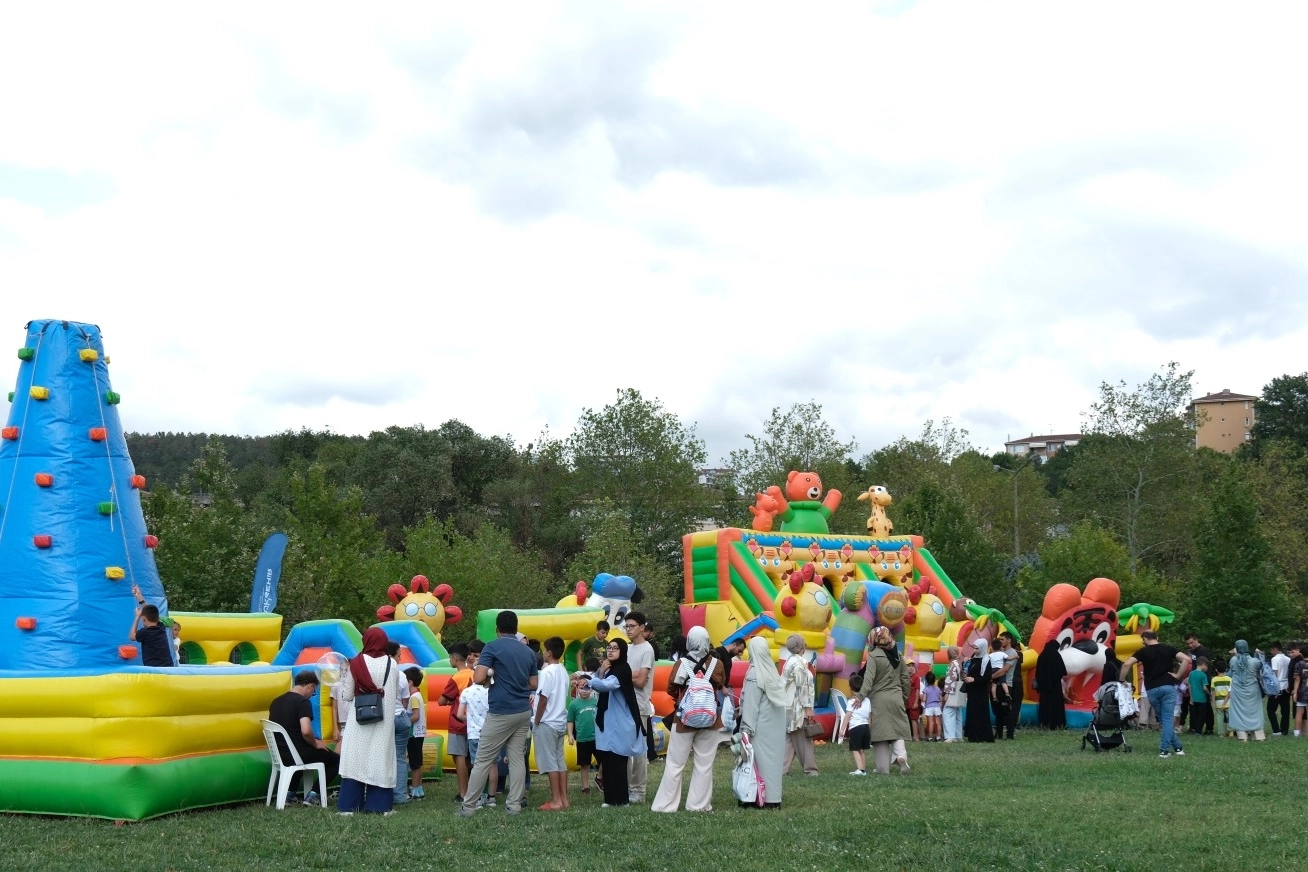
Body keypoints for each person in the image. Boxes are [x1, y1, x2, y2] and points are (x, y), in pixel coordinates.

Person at [457, 611, 539, 818]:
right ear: (516, 628)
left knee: (482, 760)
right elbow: (533, 684)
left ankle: (468, 806)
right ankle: (514, 805)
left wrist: (491, 677)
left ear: (497, 629)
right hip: (522, 711)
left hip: (500, 711)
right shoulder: (528, 652)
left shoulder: (492, 647)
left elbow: (478, 678)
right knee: (517, 759)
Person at [652, 626, 727, 812]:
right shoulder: (717, 664)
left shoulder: (681, 663)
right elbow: (721, 684)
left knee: (675, 763)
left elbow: (671, 688)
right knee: (704, 764)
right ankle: (698, 805)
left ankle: (665, 805)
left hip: (684, 719)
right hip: (711, 719)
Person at [336, 627, 404, 814]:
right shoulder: (392, 664)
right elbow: (393, 692)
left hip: (359, 719)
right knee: (380, 759)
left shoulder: (356, 662)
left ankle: (349, 805)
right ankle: (379, 806)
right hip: (383, 720)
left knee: (355, 759)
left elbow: (347, 695)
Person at [587, 638, 645, 807]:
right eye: (609, 648)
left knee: (618, 760)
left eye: (615, 648)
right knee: (607, 759)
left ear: (622, 651)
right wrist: (600, 672)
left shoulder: (622, 669)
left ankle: (621, 800)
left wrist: (590, 680)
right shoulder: (610, 669)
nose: (610, 651)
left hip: (620, 721)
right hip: (609, 719)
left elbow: (607, 686)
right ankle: (610, 799)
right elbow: (602, 683)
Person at [268, 671, 340, 803]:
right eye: (314, 692)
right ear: (311, 686)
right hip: (298, 754)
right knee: (336, 760)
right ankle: (314, 795)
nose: (312, 695)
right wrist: (316, 743)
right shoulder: (302, 702)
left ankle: (289, 795)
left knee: (302, 752)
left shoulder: (276, 702)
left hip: (281, 754)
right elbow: (306, 731)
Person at [1118, 630, 1189, 757]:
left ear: (1145, 639)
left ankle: (1178, 748)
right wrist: (1178, 675)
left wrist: (1122, 680)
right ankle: (1164, 750)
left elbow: (1127, 664)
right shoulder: (1168, 649)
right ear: (1157, 637)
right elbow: (1186, 659)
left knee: (1164, 719)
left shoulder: (1143, 651)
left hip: (1151, 689)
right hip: (1167, 687)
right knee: (1167, 719)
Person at [739, 635, 791, 807]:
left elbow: (751, 706)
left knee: (757, 763)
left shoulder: (755, 674)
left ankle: (756, 797)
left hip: (759, 727)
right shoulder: (772, 672)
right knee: (773, 765)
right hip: (776, 728)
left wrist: (746, 729)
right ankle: (773, 798)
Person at [853, 626, 912, 775]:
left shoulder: (873, 656)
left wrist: (860, 696)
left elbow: (868, 679)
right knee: (897, 730)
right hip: (897, 697)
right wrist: (904, 697)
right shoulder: (898, 655)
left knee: (881, 735)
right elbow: (905, 679)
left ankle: (883, 768)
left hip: (879, 699)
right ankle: (900, 755)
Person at [534, 636, 570, 811]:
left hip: (547, 721)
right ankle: (564, 799)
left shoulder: (547, 672)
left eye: (544, 650)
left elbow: (543, 699)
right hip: (560, 720)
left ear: (549, 653)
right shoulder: (563, 670)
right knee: (559, 760)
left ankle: (556, 800)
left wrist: (537, 720)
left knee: (550, 763)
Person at [623, 612, 656, 802]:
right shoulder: (628, 648)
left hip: (640, 704)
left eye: (632, 626)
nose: (628, 629)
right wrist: (630, 675)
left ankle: (638, 790)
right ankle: (627, 786)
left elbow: (642, 680)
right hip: (625, 703)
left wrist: (626, 676)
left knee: (639, 749)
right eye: (626, 626)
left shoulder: (647, 649)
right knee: (625, 747)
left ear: (642, 627)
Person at [457, 649, 496, 807]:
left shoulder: (467, 692)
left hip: (474, 733)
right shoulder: (492, 692)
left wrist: (470, 719)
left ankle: (478, 797)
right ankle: (491, 797)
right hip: (491, 732)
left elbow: (459, 714)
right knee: (492, 765)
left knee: (477, 765)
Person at [438, 643, 473, 802]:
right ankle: (473, 790)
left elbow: (441, 701)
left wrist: (449, 701)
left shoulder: (456, 677)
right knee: (470, 758)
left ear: (455, 658)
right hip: (473, 722)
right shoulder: (474, 673)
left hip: (458, 722)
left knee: (459, 757)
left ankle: (463, 792)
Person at [780, 635, 819, 776]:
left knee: (790, 740)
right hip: (797, 708)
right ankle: (810, 769)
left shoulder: (789, 662)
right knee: (804, 739)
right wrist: (808, 708)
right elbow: (802, 687)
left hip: (788, 706)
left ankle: (782, 769)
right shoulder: (799, 664)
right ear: (802, 647)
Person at [1226, 640, 1266, 742]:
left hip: (1237, 691)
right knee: (1255, 712)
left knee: (1238, 712)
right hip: (1253, 691)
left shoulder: (1233, 660)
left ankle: (1242, 736)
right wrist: (1260, 654)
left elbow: (1231, 672)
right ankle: (1259, 736)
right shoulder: (1255, 661)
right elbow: (1262, 667)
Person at [387, 642, 411, 806]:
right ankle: (400, 795)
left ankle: (383, 793)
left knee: (383, 757)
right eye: (398, 655)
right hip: (401, 718)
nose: (400, 658)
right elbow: (405, 700)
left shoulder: (378, 673)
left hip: (385, 720)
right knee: (400, 758)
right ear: (391, 656)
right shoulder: (401, 675)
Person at [128, 584, 173, 667]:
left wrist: (137, 617)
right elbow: (148, 611)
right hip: (168, 667)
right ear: (157, 617)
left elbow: (131, 636)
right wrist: (139, 597)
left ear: (143, 619)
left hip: (154, 669)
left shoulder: (145, 632)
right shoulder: (161, 627)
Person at [567, 678, 598, 795]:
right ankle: (585, 787)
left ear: (591, 689)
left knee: (604, 760)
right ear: (577, 688)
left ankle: (600, 779)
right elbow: (570, 721)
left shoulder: (595, 702)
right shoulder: (574, 704)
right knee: (585, 764)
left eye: (587, 688)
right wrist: (570, 734)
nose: (584, 691)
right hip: (582, 739)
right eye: (581, 688)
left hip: (596, 738)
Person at [962, 639, 995, 743]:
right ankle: (973, 735)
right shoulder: (973, 659)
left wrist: (974, 680)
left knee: (981, 712)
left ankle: (983, 735)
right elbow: (967, 670)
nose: (975, 650)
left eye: (977, 649)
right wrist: (965, 663)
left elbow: (987, 677)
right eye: (974, 648)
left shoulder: (986, 660)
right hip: (972, 690)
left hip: (981, 691)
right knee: (972, 712)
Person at [842, 669, 871, 775]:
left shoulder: (851, 701)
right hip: (865, 727)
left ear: (850, 688)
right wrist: (869, 728)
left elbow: (847, 716)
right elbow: (869, 716)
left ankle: (860, 769)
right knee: (862, 750)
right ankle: (863, 769)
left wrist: (842, 729)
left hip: (856, 727)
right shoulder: (867, 700)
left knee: (855, 749)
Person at [1035, 640, 1068, 730]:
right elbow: (1062, 671)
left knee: (1045, 705)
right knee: (1056, 705)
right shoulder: (1056, 656)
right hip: (1055, 687)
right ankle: (1057, 724)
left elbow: (1038, 673)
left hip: (1044, 687)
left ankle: (1045, 723)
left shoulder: (1041, 656)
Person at [941, 647, 966, 742]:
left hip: (952, 692)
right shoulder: (959, 663)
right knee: (958, 713)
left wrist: (947, 693)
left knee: (947, 713)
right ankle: (958, 735)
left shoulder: (952, 664)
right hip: (959, 692)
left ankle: (950, 736)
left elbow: (950, 679)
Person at [1267, 642, 1291, 736]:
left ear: (1275, 649)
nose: (1271, 652)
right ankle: (1284, 730)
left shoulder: (1275, 659)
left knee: (1270, 709)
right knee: (1285, 710)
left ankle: (1276, 730)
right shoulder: (1288, 659)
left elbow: (1274, 674)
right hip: (1286, 686)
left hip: (1277, 686)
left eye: (1271, 650)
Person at [1187, 657, 1212, 736]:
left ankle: (1194, 729)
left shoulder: (1191, 673)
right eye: (1207, 666)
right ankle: (1198, 731)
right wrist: (1210, 694)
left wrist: (1191, 697)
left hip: (1194, 698)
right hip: (1202, 699)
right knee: (1202, 716)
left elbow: (1189, 686)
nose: (1207, 668)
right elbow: (1204, 688)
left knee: (1195, 715)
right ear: (1203, 664)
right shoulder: (1203, 675)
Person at [1211, 661, 1232, 738]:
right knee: (1230, 717)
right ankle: (1231, 731)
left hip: (1218, 702)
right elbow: (1230, 692)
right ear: (1226, 669)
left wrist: (1213, 703)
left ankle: (1221, 733)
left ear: (1216, 670)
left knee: (1219, 717)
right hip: (1228, 701)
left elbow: (1213, 693)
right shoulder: (1229, 679)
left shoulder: (1214, 680)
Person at [1291, 644, 1308, 737]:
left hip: (1302, 691)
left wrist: (1295, 692)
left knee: (1299, 712)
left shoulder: (1299, 664)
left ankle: (1297, 733)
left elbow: (1297, 679)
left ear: (1301, 654)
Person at [921, 673, 943, 742]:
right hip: (937, 706)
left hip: (929, 707)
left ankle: (930, 737)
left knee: (931, 723)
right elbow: (941, 699)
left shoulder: (926, 689)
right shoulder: (938, 689)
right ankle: (938, 737)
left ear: (926, 680)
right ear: (934, 680)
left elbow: (924, 699)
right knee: (938, 722)